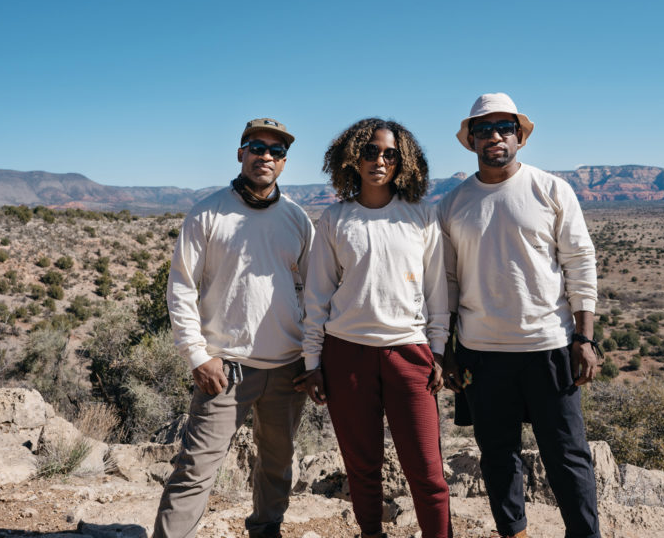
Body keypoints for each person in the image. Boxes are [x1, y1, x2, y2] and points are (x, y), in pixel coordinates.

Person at [438, 93, 601, 538]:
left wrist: (584, 339)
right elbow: (446, 284)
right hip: (480, 352)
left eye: (504, 127)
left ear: (519, 136)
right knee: (496, 453)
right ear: (471, 140)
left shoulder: (551, 189)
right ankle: (514, 532)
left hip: (549, 345)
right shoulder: (451, 204)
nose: (494, 136)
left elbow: (580, 264)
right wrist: (446, 352)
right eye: (483, 129)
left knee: (568, 454)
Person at [154, 117, 314, 538]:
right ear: (241, 153)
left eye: (276, 151)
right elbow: (181, 286)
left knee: (278, 465)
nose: (266, 156)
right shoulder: (208, 212)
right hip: (224, 369)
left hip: (288, 368)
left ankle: (266, 530)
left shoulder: (297, 219)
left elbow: (314, 293)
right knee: (195, 470)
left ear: (284, 162)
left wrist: (313, 358)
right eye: (257, 147)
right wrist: (197, 356)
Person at [293, 118, 453, 538]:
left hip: (410, 354)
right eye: (370, 151)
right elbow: (317, 298)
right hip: (346, 355)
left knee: (428, 472)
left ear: (404, 162)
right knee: (362, 469)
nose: (379, 161)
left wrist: (438, 352)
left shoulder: (422, 216)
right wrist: (313, 363)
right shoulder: (335, 219)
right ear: (353, 157)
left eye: (390, 154)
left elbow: (437, 293)